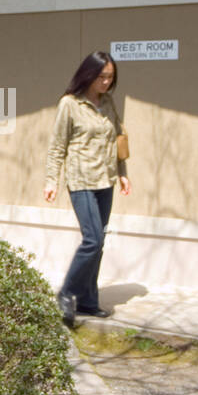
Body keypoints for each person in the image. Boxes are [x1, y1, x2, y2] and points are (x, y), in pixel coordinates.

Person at [44, 50, 131, 327]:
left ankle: (89, 301)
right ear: (89, 74)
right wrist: (51, 180)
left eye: (110, 77)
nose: (106, 82)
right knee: (92, 239)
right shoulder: (69, 104)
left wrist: (123, 173)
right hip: (81, 180)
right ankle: (67, 293)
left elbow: (118, 138)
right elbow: (57, 145)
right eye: (102, 77)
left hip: (106, 180)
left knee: (99, 242)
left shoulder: (108, 102)